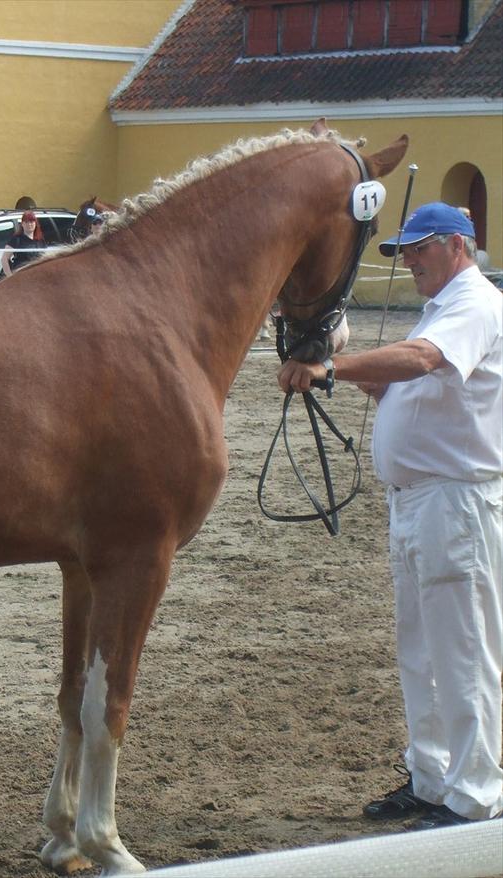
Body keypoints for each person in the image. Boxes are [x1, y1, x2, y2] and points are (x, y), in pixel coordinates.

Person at [278, 202, 502, 831]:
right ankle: (433, 777)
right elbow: (404, 381)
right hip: (416, 502)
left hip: (453, 501)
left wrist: (329, 369)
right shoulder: (442, 308)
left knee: (461, 650)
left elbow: (424, 360)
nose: (409, 261)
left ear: (459, 244)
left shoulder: (474, 304)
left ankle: (476, 794)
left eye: (419, 248)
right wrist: (347, 370)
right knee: (421, 651)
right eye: (403, 251)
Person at [0, 210, 46, 281]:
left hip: (36, 278)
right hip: (20, 278)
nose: (29, 224)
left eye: (31, 222)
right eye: (26, 222)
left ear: (35, 223)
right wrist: (10, 277)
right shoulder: (16, 239)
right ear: (22, 224)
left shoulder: (40, 240)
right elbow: (4, 259)